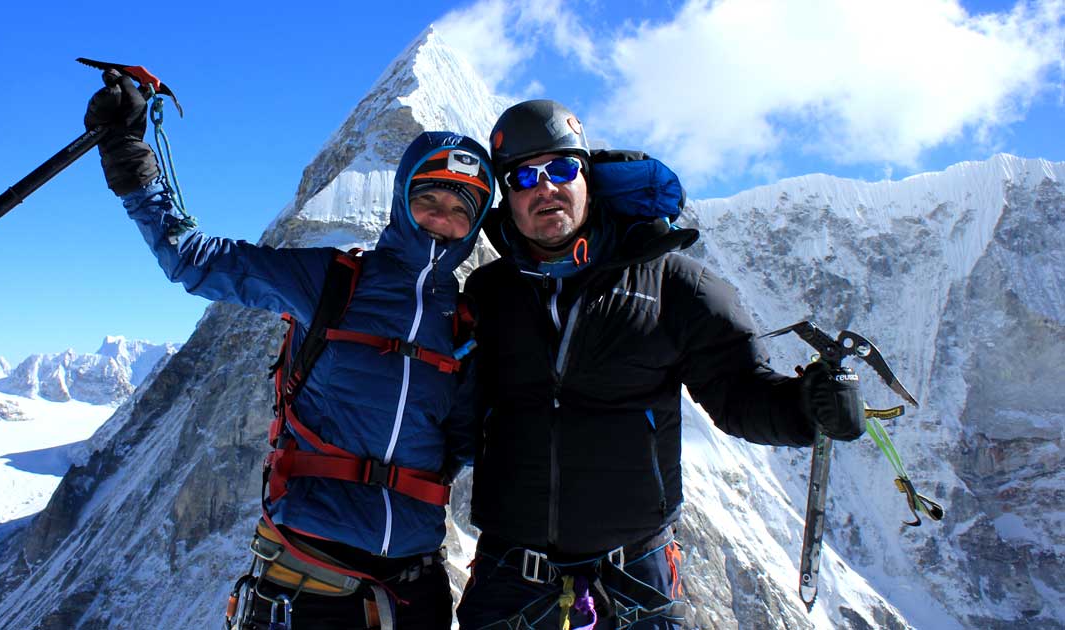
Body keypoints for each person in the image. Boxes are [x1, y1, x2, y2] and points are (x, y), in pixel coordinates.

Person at [84, 70, 494, 630]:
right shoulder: (332, 281)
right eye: (430, 199)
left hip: (415, 582)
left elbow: (468, 441)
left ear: (476, 224)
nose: (443, 220)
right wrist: (129, 155)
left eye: (461, 208)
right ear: (403, 200)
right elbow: (193, 260)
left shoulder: (466, 321)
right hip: (309, 573)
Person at [455, 100, 866, 629]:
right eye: (524, 177)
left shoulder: (674, 283)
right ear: (506, 197)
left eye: (561, 168)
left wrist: (807, 409)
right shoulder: (488, 293)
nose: (545, 188)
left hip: (633, 579)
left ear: (589, 177)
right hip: (508, 576)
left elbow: (739, 395)